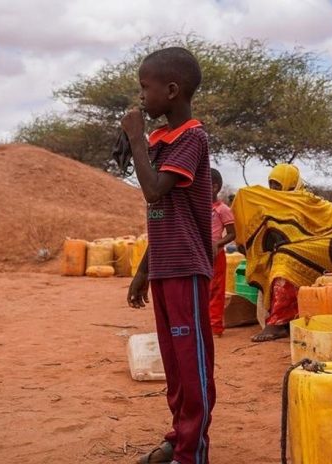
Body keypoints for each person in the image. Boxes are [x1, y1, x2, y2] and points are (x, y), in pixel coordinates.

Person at [120, 47, 215, 464]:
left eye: (146, 88)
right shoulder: (162, 140)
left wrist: (137, 138)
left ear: (172, 90)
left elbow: (155, 190)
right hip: (165, 266)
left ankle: (193, 451)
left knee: (192, 365)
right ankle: (178, 439)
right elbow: (162, 214)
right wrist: (144, 269)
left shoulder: (192, 136)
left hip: (187, 268)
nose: (141, 97)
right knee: (174, 366)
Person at [232, 164, 332, 342]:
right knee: (284, 254)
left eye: (277, 185)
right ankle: (293, 316)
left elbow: (295, 238)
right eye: (271, 185)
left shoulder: (303, 200)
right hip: (331, 243)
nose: (273, 190)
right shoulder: (278, 203)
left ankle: (279, 322)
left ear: (290, 183)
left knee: (285, 257)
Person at [210, 168, 236, 337]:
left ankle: (215, 327)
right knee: (200, 290)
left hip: (215, 254)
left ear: (214, 187)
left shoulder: (223, 209)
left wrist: (217, 244)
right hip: (198, 253)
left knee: (216, 290)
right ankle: (202, 326)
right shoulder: (196, 207)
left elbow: (233, 233)